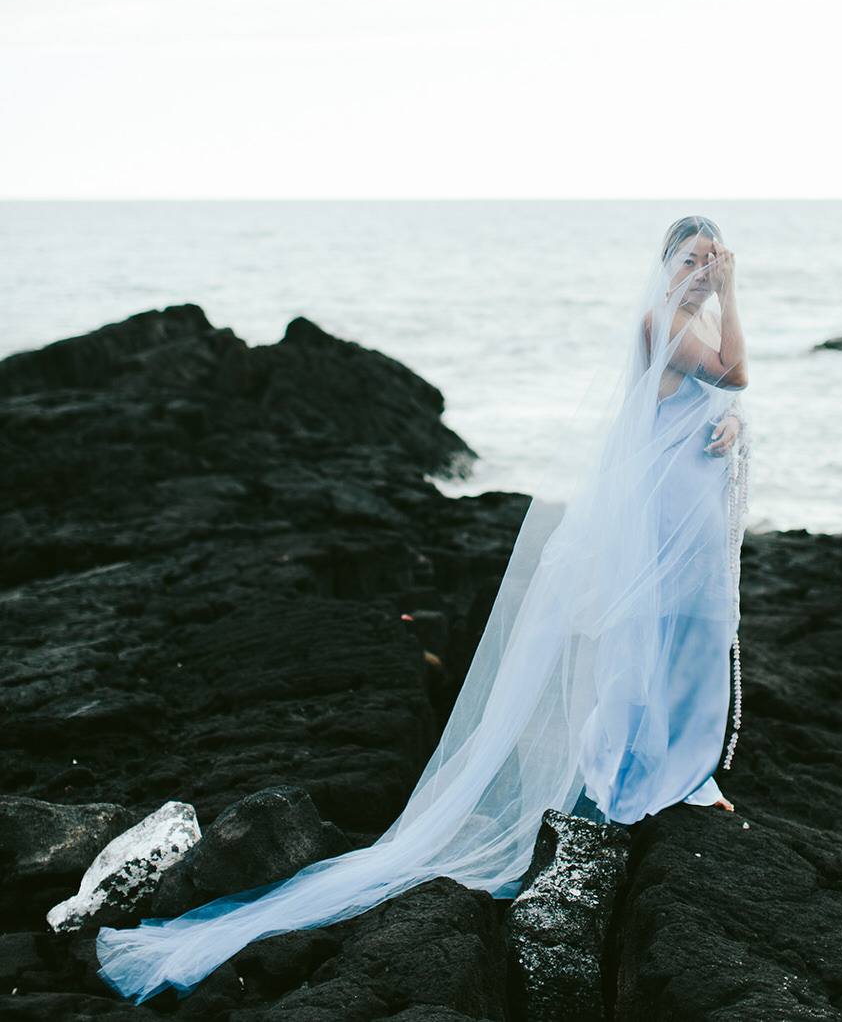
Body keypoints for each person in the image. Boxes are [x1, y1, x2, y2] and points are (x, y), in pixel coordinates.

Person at [95, 214, 752, 1004]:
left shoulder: (692, 320)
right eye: (689, 256)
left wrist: (724, 426)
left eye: (708, 257)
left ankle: (690, 771)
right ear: (667, 264)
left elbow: (708, 401)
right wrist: (731, 302)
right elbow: (733, 373)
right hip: (662, 512)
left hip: (689, 506)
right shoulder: (661, 318)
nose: (699, 268)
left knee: (697, 638)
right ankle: (634, 775)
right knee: (648, 643)